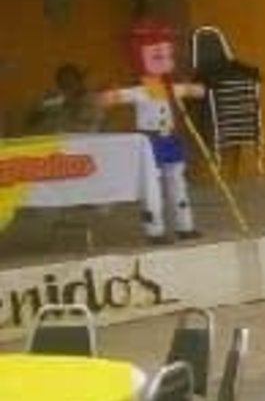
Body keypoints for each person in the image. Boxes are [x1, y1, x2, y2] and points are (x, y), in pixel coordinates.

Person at [99, 21, 205, 241]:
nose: (165, 59)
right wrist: (110, 96)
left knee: (177, 180)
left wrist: (198, 89)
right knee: (151, 185)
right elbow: (119, 96)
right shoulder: (143, 90)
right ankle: (154, 230)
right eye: (157, 56)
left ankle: (184, 225)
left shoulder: (168, 87)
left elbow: (191, 91)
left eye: (167, 54)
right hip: (149, 141)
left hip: (169, 137)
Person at [29, 63, 106, 133]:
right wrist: (43, 105)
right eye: (62, 84)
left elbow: (97, 127)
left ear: (79, 83)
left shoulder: (93, 104)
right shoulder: (54, 105)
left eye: (70, 83)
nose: (67, 88)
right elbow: (32, 122)